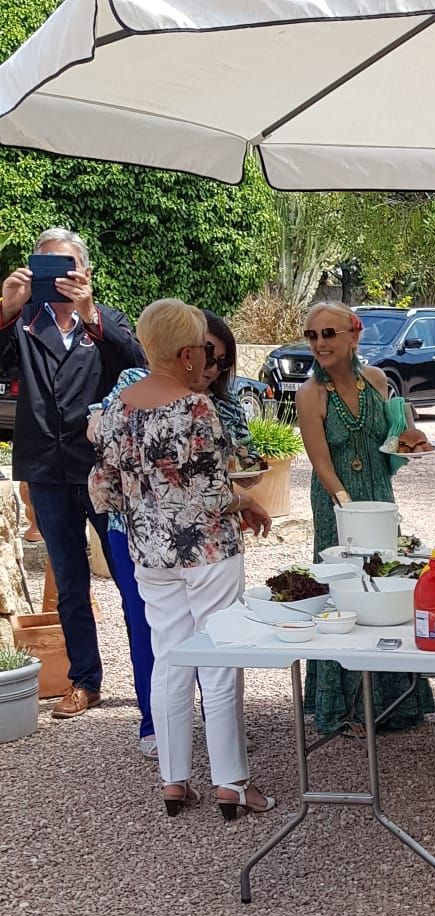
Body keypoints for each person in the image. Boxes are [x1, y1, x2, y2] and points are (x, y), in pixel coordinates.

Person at [87, 299, 274, 818]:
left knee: (169, 659)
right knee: (218, 658)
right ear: (187, 353)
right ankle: (231, 783)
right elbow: (213, 493)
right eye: (204, 353)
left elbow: (102, 489)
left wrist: (147, 506)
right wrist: (247, 501)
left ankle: (174, 780)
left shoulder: (116, 410)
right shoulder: (197, 409)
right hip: (208, 551)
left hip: (149, 552)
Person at [0, 226, 144, 718]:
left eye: (69, 266)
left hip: (103, 469)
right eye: (48, 266)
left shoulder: (105, 320)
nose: (60, 277)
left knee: (128, 576)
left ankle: (151, 679)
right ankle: (85, 680)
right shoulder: (22, 322)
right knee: (69, 580)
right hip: (47, 468)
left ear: (85, 271)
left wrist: (90, 312)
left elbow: (138, 365)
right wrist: (6, 308)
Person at [294, 301, 434, 737]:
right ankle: (345, 709)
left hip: (379, 495)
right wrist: (347, 507)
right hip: (336, 506)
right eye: (312, 335)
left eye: (328, 334)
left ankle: (395, 702)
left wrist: (412, 439)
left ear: (354, 335)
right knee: (344, 592)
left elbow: (393, 439)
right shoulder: (310, 394)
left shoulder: (376, 380)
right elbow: (320, 462)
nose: (319, 343)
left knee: (388, 585)